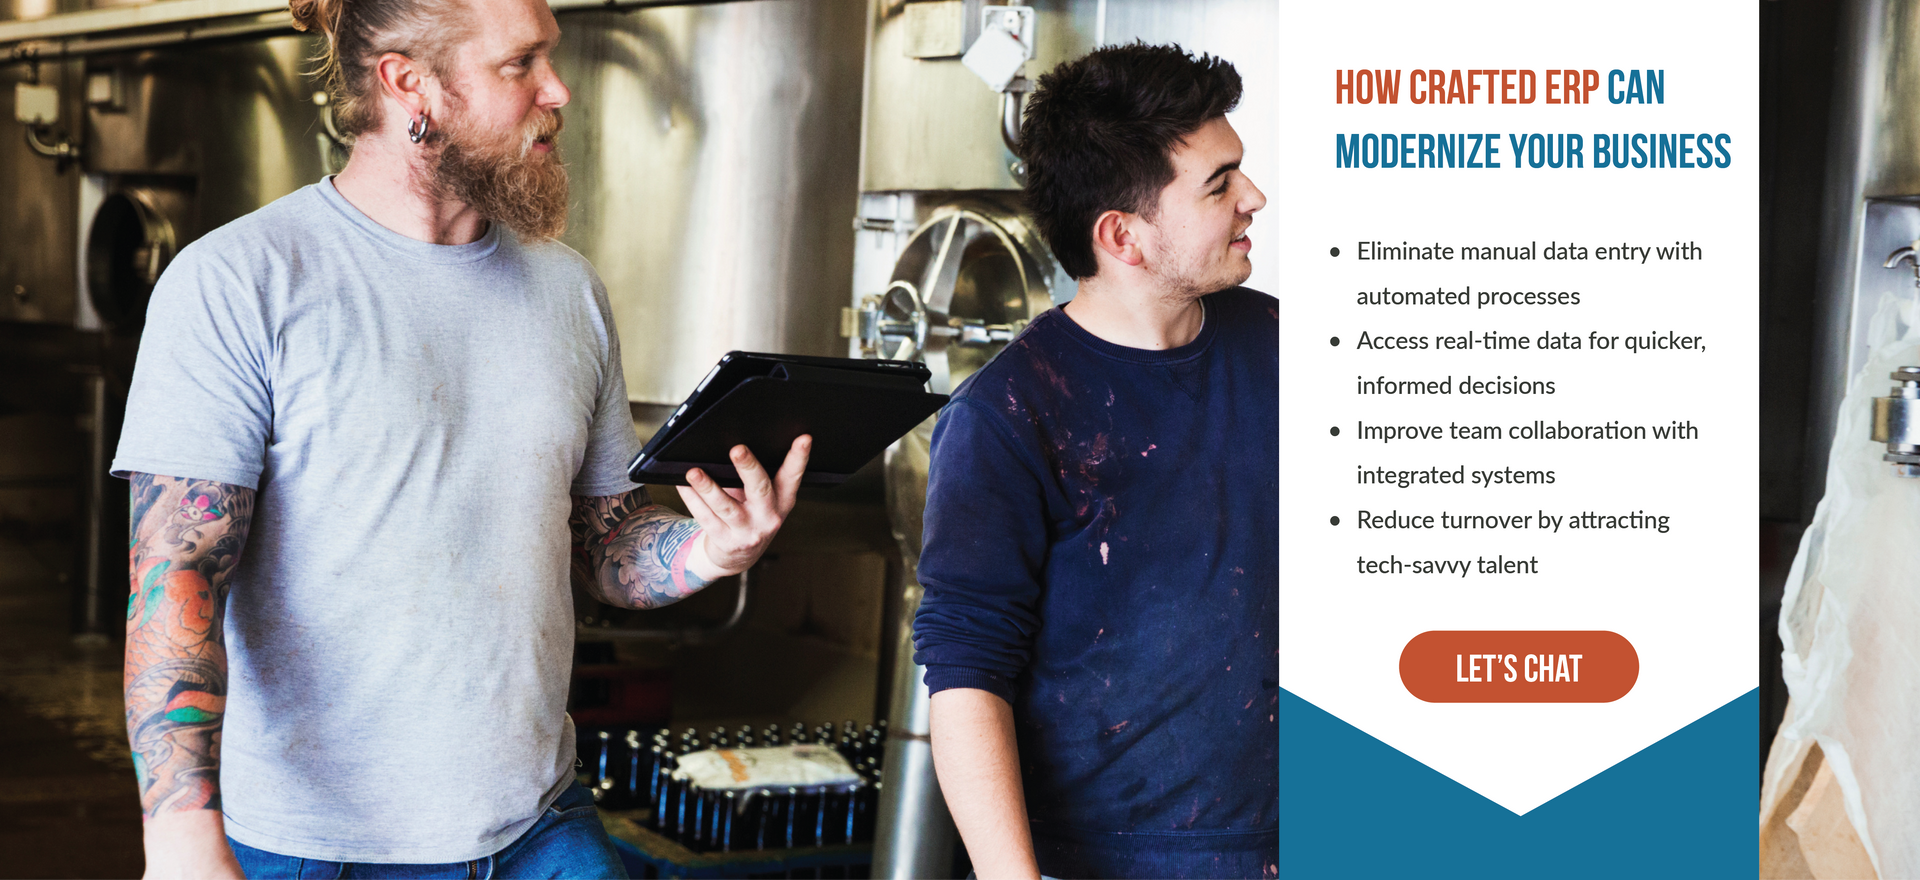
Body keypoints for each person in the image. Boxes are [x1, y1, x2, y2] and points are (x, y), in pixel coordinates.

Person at [112, 0, 808, 873]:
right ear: (412, 85)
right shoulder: (240, 282)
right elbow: (176, 578)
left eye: (550, 57)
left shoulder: (568, 292)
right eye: (520, 65)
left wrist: (712, 548)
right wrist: (180, 838)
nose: (560, 89)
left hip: (538, 824)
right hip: (311, 849)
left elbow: (607, 543)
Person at [912, 43, 1277, 879]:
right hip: (1099, 861)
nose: (1253, 199)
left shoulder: (1289, 349)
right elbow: (967, 669)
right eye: (1219, 185)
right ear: (1123, 235)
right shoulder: (1007, 415)